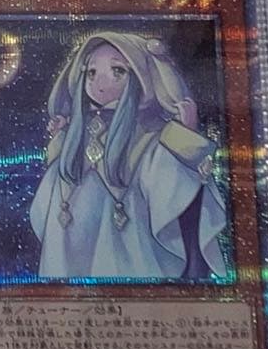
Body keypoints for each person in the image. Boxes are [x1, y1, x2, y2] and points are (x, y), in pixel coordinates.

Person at [28, 32, 228, 280]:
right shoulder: (75, 133)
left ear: (141, 76)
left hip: (131, 250)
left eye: (118, 71)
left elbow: (174, 194)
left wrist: (184, 139)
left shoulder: (149, 134)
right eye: (91, 72)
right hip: (71, 245)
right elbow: (47, 201)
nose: (100, 83)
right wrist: (60, 139)